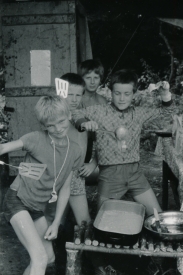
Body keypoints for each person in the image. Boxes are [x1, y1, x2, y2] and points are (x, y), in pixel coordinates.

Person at [1, 95, 82, 275]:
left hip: (37, 208)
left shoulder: (75, 150)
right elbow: (5, 147)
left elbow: (65, 189)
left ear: (69, 115)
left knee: (49, 258)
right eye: (50, 125)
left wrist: (55, 223)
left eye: (61, 121)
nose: (58, 128)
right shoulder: (36, 139)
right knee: (40, 257)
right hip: (17, 200)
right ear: (44, 125)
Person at [73, 69, 173, 216]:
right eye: (117, 93)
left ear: (134, 94)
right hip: (109, 176)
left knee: (157, 215)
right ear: (110, 92)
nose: (121, 98)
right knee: (103, 219)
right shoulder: (99, 111)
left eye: (127, 94)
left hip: (135, 174)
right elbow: (76, 113)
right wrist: (83, 123)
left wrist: (165, 95)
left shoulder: (139, 113)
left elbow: (165, 115)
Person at [45, 73, 98, 226]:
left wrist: (93, 163)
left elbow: (101, 141)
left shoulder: (84, 114)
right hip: (56, 173)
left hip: (75, 175)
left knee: (84, 220)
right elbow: (73, 118)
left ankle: (84, 246)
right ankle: (55, 244)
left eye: (78, 95)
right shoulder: (54, 115)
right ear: (60, 93)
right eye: (69, 94)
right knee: (55, 218)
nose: (74, 99)